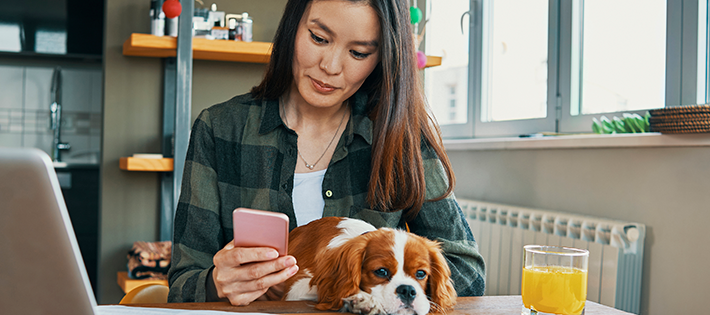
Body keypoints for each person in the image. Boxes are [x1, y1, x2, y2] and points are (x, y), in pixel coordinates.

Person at [168, 0, 485, 305]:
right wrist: (217, 283)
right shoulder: (220, 128)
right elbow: (182, 286)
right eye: (319, 38)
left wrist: (364, 287)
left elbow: (468, 274)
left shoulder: (404, 137)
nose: (330, 66)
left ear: (382, 58)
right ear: (293, 27)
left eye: (359, 53)